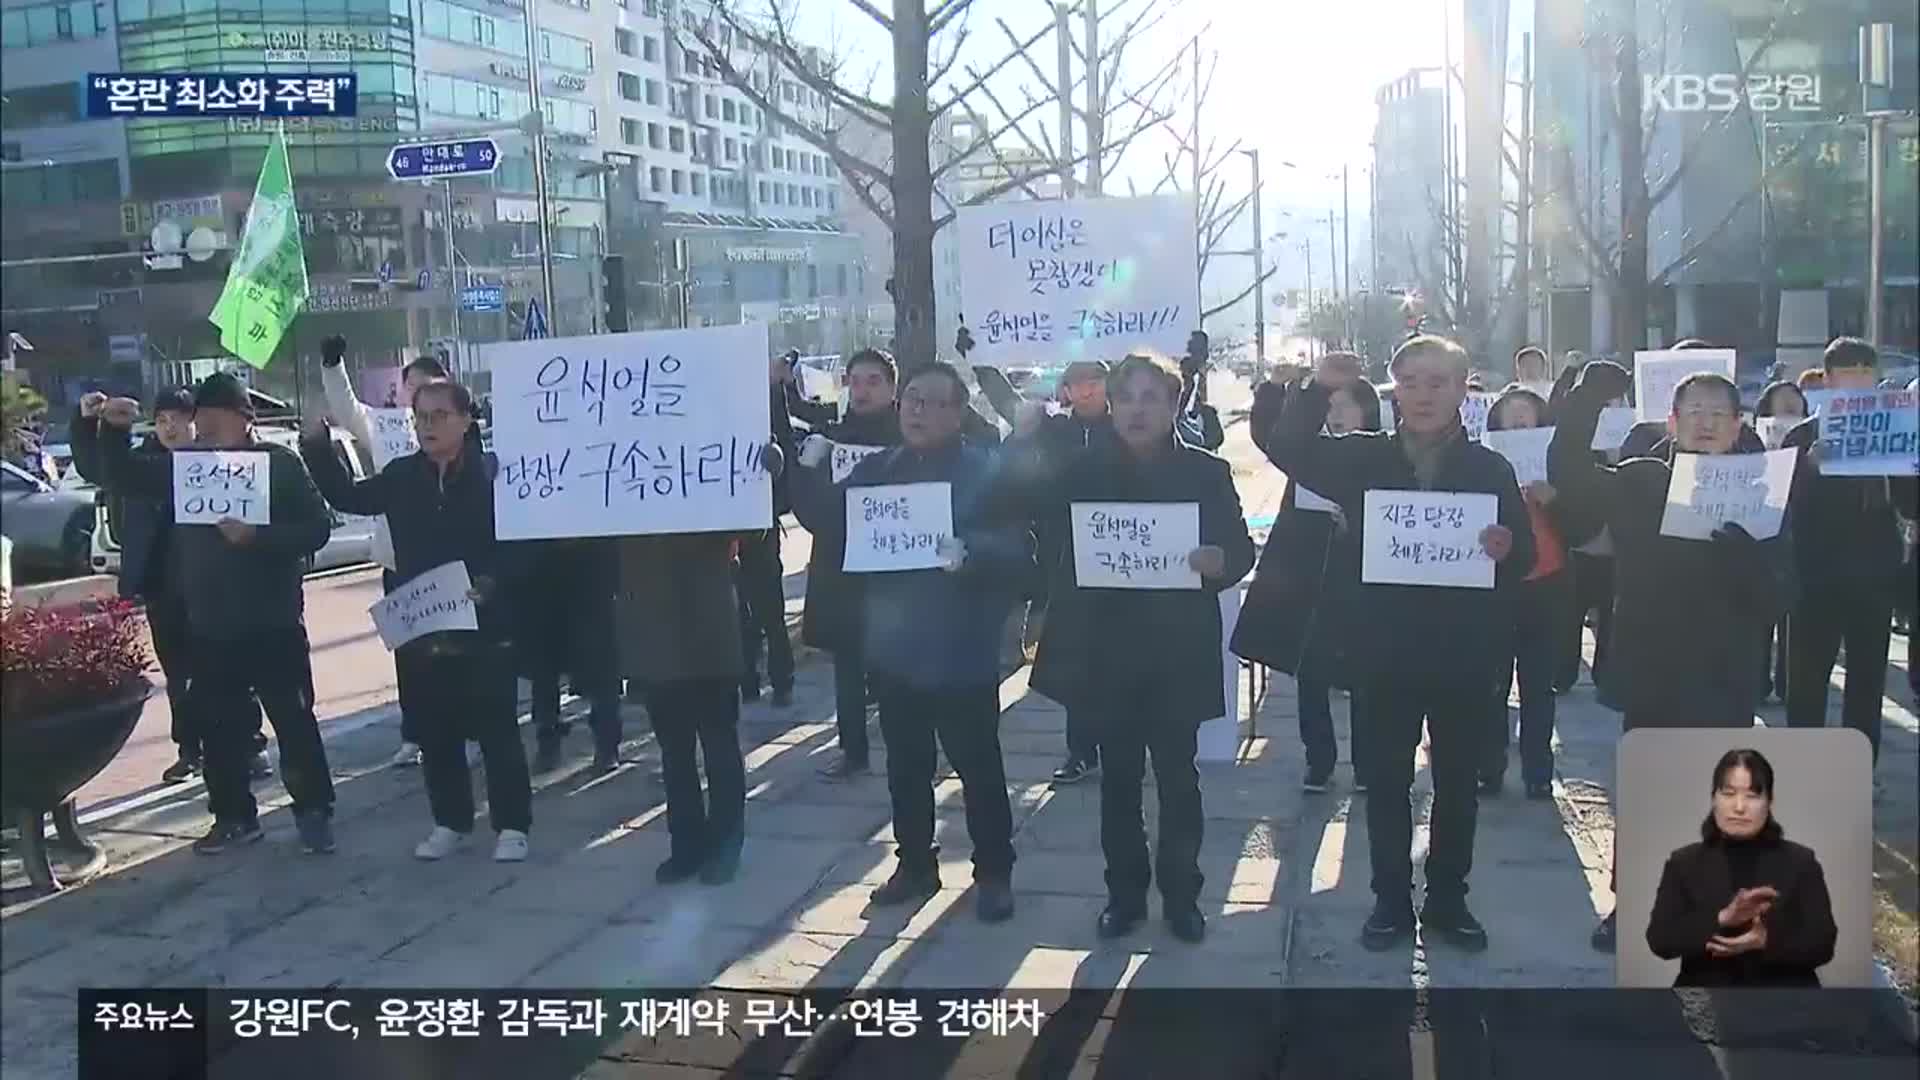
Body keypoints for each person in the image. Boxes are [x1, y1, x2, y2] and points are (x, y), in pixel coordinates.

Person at [1266, 335, 1536, 953]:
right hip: (1382, 653)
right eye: (1410, 382)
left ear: (1464, 390)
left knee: (1458, 784)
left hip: (1464, 656)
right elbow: (1288, 448)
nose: (1423, 395)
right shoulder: (1362, 459)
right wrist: (1316, 388)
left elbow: (1520, 555)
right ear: (1393, 390)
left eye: (1438, 382)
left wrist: (1504, 547)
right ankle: (1389, 901)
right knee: (1385, 783)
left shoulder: (1491, 468)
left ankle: (1448, 899)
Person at [1548, 361, 1792, 950]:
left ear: (1738, 425)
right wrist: (1585, 404)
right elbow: (1570, 475)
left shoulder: (1761, 492)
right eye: (1694, 413)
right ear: (1673, 421)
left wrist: (1747, 561)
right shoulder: (1641, 480)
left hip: (1724, 669)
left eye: (1718, 414)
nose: (1706, 424)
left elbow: (1783, 594)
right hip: (1654, 663)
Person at [1029, 353, 1254, 943]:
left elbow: (1239, 549)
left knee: (1179, 779)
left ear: (1174, 404)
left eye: (1151, 396)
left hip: (1177, 651)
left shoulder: (1206, 473)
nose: (1137, 408)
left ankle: (1183, 896)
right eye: (1126, 396)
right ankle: (1124, 896)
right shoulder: (1081, 471)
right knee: (1119, 781)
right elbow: (1049, 538)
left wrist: (1219, 562)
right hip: (1106, 649)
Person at [796, 363, 1032, 922]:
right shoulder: (880, 471)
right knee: (905, 766)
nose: (920, 413)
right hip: (895, 650)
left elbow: (1021, 553)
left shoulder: (984, 471)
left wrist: (971, 552)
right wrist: (803, 471)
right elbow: (831, 521)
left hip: (962, 651)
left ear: (957, 412)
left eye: (933, 403)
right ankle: (915, 864)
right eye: (913, 403)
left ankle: (994, 873)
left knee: (979, 769)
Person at [95, 373, 338, 855]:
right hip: (207, 624)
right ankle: (232, 817)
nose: (203, 425)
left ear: (244, 419)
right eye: (198, 417)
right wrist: (110, 431)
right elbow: (121, 475)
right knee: (218, 728)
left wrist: (259, 538)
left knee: (293, 720)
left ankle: (314, 810)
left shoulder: (279, 464)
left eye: (214, 415)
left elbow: (317, 528)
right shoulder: (187, 466)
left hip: (274, 623)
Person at [301, 379, 533, 862]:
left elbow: (524, 547)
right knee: (436, 730)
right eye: (420, 417)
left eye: (438, 416)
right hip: (423, 624)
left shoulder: (495, 476)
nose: (426, 426)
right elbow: (347, 496)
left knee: (497, 730)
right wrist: (316, 443)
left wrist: (492, 581)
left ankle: (512, 824)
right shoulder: (403, 475)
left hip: (485, 625)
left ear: (466, 421)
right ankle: (450, 821)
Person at [72, 387, 271, 784]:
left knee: (230, 672)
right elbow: (97, 468)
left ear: (195, 421)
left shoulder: (213, 461)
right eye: (161, 420)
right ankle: (190, 750)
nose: (170, 428)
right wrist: (87, 423)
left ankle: (250, 746)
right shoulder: (142, 464)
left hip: (213, 588)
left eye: (178, 419)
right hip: (163, 588)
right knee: (179, 674)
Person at [1234, 352, 1381, 793]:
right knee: (1310, 673)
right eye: (1329, 406)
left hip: (1361, 583)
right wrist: (1273, 392)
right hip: (1306, 577)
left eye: (1344, 406)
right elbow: (1270, 437)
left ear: (1367, 411)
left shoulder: (1384, 454)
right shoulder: (1309, 452)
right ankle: (1319, 761)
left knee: (1365, 676)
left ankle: (1368, 763)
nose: (1335, 415)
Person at [320, 336, 456, 770]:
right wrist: (332, 364)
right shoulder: (386, 428)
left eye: (429, 390)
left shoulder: (463, 437)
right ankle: (415, 735)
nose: (419, 402)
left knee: (454, 656)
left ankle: (462, 729)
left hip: (452, 568)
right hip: (400, 565)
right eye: (412, 390)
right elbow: (346, 409)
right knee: (410, 658)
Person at [1780, 338, 1915, 771]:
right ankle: (1802, 763)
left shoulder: (1894, 430)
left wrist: (1905, 467)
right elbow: (1780, 505)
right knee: (1807, 677)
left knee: (1867, 678)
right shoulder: (1803, 434)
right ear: (1829, 378)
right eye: (1848, 371)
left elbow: (1910, 507)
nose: (1858, 379)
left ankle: (1861, 768)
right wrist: (1808, 466)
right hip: (1814, 573)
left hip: (1874, 572)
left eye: (1866, 371)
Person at [789, 348, 902, 779]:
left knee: (898, 669)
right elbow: (815, 515)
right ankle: (853, 749)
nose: (863, 390)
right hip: (842, 568)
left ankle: (908, 750)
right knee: (849, 668)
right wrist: (805, 469)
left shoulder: (908, 438)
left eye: (874, 381)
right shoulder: (830, 440)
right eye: (856, 381)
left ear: (892, 387)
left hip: (895, 573)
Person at [1009, 359, 1117, 786]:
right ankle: (1080, 750)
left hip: (1118, 550)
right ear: (1067, 391)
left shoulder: (1126, 427)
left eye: (1095, 382)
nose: (1087, 391)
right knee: (1077, 658)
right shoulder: (1054, 431)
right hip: (1064, 557)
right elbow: (1013, 455)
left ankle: (1124, 743)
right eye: (1078, 384)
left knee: (1119, 657)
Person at [1646, 748, 1836, 987]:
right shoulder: (1684, 863)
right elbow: (1660, 940)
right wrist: (1723, 918)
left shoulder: (1801, 862)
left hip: (1786, 1007)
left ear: (1770, 801)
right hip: (1706, 1004)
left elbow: (1823, 945)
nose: (1739, 807)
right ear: (1713, 798)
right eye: (1728, 793)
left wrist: (1766, 941)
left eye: (1752, 795)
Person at [1481, 386, 1571, 799]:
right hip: (1498, 585)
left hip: (1547, 583)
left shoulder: (1557, 463)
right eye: (1511, 412)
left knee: (1538, 686)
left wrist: (1554, 501)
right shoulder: (1483, 463)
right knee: (1492, 682)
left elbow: (1582, 524)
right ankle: (1489, 765)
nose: (1519, 419)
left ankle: (1538, 769)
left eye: (1527, 412)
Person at [1752, 380, 1810, 703]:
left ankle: (1789, 682)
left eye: (1795, 400)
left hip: (1801, 537)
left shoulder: (1814, 438)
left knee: (1794, 621)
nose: (1790, 405)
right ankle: (1758, 682)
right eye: (1782, 400)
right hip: (1763, 535)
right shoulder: (1752, 439)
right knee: (1762, 620)